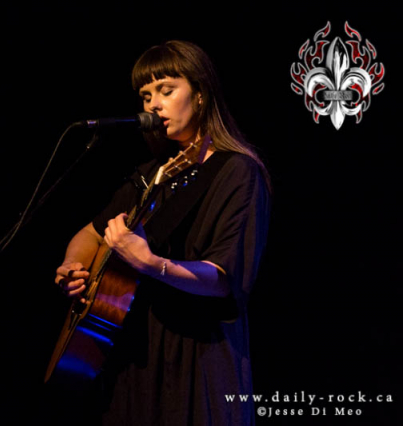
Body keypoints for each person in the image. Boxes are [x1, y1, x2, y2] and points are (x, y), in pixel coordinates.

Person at [53, 40, 270, 425]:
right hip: (131, 356)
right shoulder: (151, 174)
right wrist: (74, 266)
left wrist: (150, 263)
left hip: (195, 357)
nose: (153, 104)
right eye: (146, 95)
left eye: (166, 90)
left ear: (201, 94)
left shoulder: (237, 172)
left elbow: (224, 278)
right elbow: (91, 232)